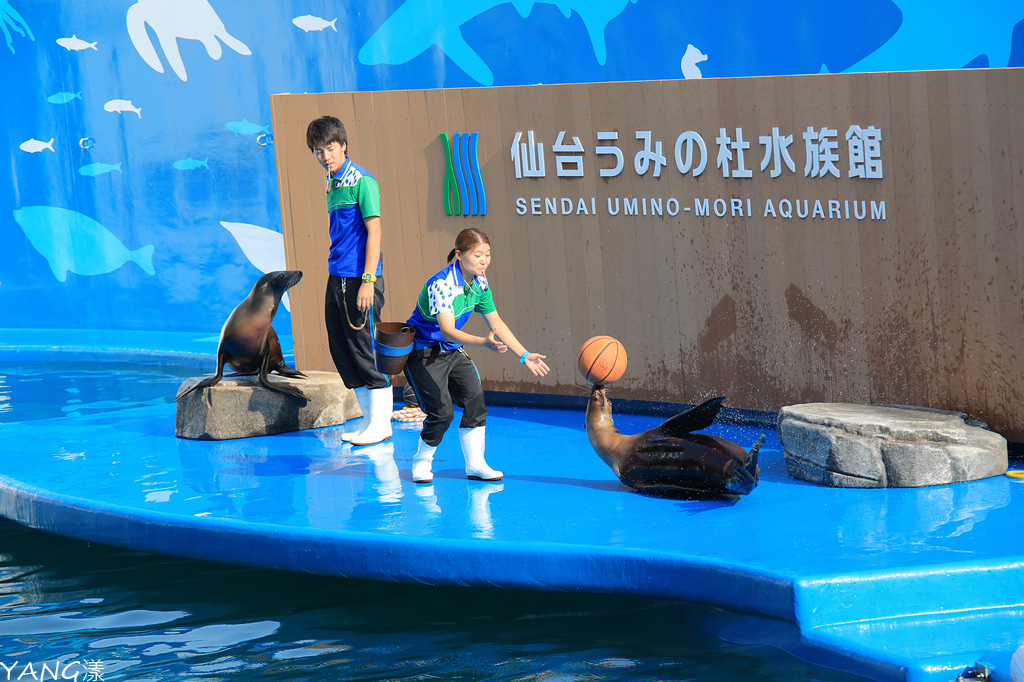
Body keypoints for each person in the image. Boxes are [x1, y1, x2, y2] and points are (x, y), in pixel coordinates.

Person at [403, 228, 549, 483]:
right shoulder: (442, 284)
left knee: (475, 401)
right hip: (423, 353)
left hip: (451, 351)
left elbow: (497, 323)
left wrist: (524, 355)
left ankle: (476, 465)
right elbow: (447, 331)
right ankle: (422, 463)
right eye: (478, 255)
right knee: (442, 413)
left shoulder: (480, 283)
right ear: (459, 255)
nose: (484, 261)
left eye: (488, 255)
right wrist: (484, 343)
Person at [306, 115, 391, 446]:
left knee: (365, 348)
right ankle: (369, 420)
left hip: (360, 278)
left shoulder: (361, 180)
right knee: (341, 348)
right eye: (318, 150)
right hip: (337, 275)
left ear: (342, 145)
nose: (325, 156)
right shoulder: (332, 181)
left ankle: (382, 423)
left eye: (330, 148)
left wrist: (368, 280)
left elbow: (375, 231)